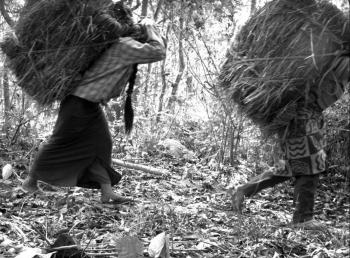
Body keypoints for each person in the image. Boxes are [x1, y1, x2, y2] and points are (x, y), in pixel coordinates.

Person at [21, 2, 166, 204]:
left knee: (101, 144)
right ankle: (29, 181)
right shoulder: (125, 45)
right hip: (79, 102)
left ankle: (107, 191)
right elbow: (158, 52)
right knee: (59, 142)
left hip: (87, 103)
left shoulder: (123, 44)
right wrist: (151, 28)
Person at [230, 52, 349, 230]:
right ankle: (302, 219)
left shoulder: (339, 62)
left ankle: (244, 190)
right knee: (310, 163)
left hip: (307, 114)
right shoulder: (337, 60)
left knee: (290, 166)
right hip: (300, 114)